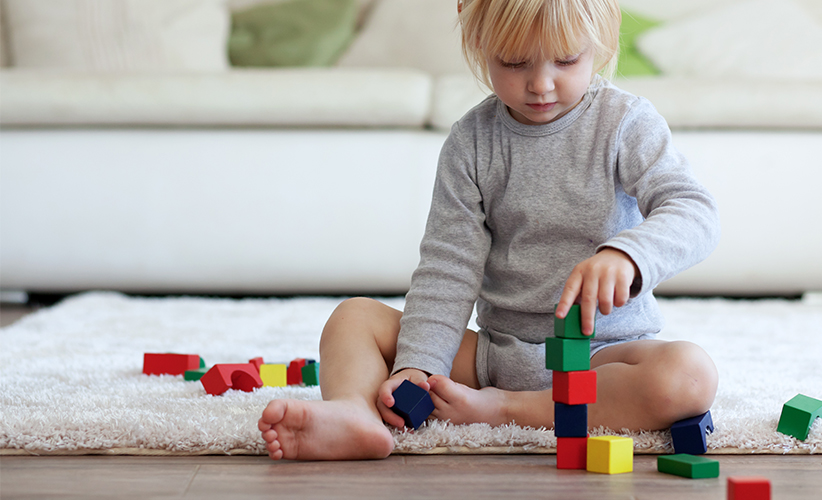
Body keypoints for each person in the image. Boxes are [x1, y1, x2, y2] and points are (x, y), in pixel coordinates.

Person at [258, 0, 720, 461]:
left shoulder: (626, 123)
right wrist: (418, 366)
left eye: (566, 60)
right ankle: (354, 414)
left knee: (690, 376)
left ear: (599, 43)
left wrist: (629, 254)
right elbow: (448, 267)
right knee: (353, 318)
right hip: (494, 356)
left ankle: (508, 410)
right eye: (514, 62)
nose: (541, 84)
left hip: (604, 359)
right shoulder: (471, 143)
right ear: (479, 42)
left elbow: (694, 210)